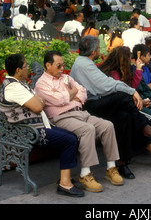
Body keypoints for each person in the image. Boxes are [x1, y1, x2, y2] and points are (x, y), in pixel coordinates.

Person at [70, 36, 151, 179]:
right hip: (90, 106)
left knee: (125, 116)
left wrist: (132, 92)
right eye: (99, 48)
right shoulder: (84, 65)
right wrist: (132, 92)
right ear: (93, 52)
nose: (100, 50)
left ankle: (122, 162)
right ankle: (147, 130)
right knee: (124, 96)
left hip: (98, 102)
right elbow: (105, 85)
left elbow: (107, 84)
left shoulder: (85, 62)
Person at [35, 51, 124, 193]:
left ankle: (111, 167)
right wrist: (72, 93)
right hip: (61, 118)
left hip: (80, 113)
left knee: (107, 125)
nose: (62, 69)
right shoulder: (41, 84)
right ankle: (85, 174)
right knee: (87, 129)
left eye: (63, 65)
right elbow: (58, 100)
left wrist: (72, 94)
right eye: (58, 66)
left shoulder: (66, 77)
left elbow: (83, 91)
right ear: (48, 65)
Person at [0, 53, 84, 197]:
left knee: (71, 135)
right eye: (25, 66)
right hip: (28, 132)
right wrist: (38, 101)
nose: (28, 69)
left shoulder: (19, 85)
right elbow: (38, 106)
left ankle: (66, 178)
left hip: (36, 127)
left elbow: (39, 101)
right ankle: (64, 184)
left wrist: (39, 101)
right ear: (18, 70)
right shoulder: (13, 88)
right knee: (69, 140)